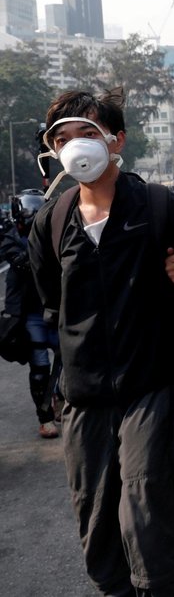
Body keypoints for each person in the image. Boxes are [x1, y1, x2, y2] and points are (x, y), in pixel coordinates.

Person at [28, 90, 174, 595]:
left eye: (86, 133)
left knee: (147, 525)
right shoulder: (52, 221)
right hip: (84, 397)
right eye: (62, 139)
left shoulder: (160, 207)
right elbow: (51, 301)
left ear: (115, 139)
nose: (74, 146)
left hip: (151, 384)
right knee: (98, 533)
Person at [1, 188, 61, 438]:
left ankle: (59, 399)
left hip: (58, 309)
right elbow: (21, 262)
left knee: (69, 360)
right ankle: (45, 416)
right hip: (32, 314)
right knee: (40, 366)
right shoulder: (11, 239)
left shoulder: (58, 235)